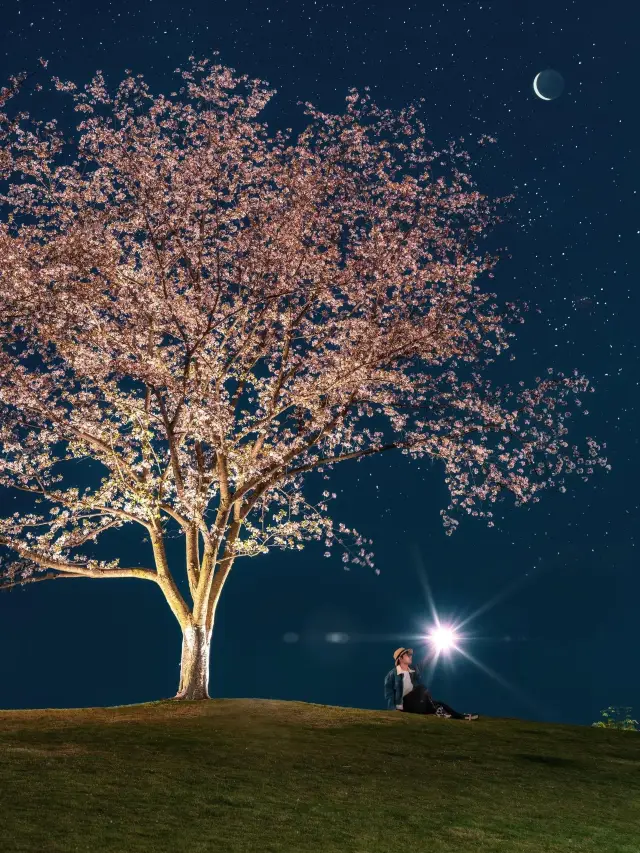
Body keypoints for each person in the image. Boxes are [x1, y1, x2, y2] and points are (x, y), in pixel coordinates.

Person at [384, 647, 478, 720]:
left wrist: (435, 651)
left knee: (440, 703)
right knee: (421, 689)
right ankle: (437, 711)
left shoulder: (413, 670)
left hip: (415, 704)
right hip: (403, 705)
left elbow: (425, 662)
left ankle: (462, 716)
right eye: (407, 655)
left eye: (410, 654)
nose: (410, 656)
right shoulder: (392, 674)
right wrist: (393, 710)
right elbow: (389, 693)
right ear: (400, 658)